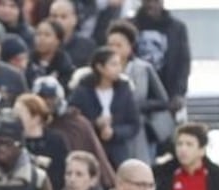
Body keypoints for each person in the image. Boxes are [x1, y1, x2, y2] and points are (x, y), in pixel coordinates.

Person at [105, 19, 170, 162]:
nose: (113, 49)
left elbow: (163, 101)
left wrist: (138, 106)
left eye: (118, 45)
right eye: (110, 45)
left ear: (130, 47)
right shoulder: (101, 69)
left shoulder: (142, 68)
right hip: (110, 129)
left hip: (138, 130)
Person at [69, 47, 141, 168]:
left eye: (119, 64)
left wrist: (114, 132)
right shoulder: (82, 91)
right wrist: (95, 123)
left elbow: (134, 124)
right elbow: (72, 119)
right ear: (100, 67)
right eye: (113, 64)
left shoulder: (124, 90)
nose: (119, 69)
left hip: (118, 152)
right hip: (89, 149)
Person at [131, 0, 189, 117]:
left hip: (167, 95)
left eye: (156, 1)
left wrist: (179, 93)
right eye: (147, 2)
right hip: (137, 94)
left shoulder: (176, 28)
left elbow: (183, 63)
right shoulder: (130, 26)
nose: (151, 5)